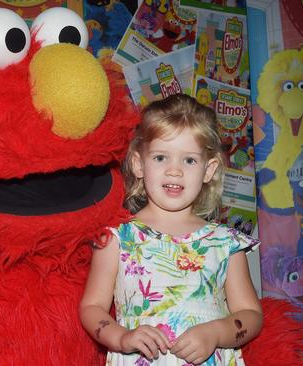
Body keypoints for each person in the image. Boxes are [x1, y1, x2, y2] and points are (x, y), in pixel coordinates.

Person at [79, 94, 263, 365]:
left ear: (208, 170)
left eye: (189, 160)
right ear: (139, 164)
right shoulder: (117, 238)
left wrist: (216, 332)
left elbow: (251, 314)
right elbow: (91, 308)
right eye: (161, 157)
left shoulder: (226, 243)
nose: (174, 171)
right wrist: (122, 337)